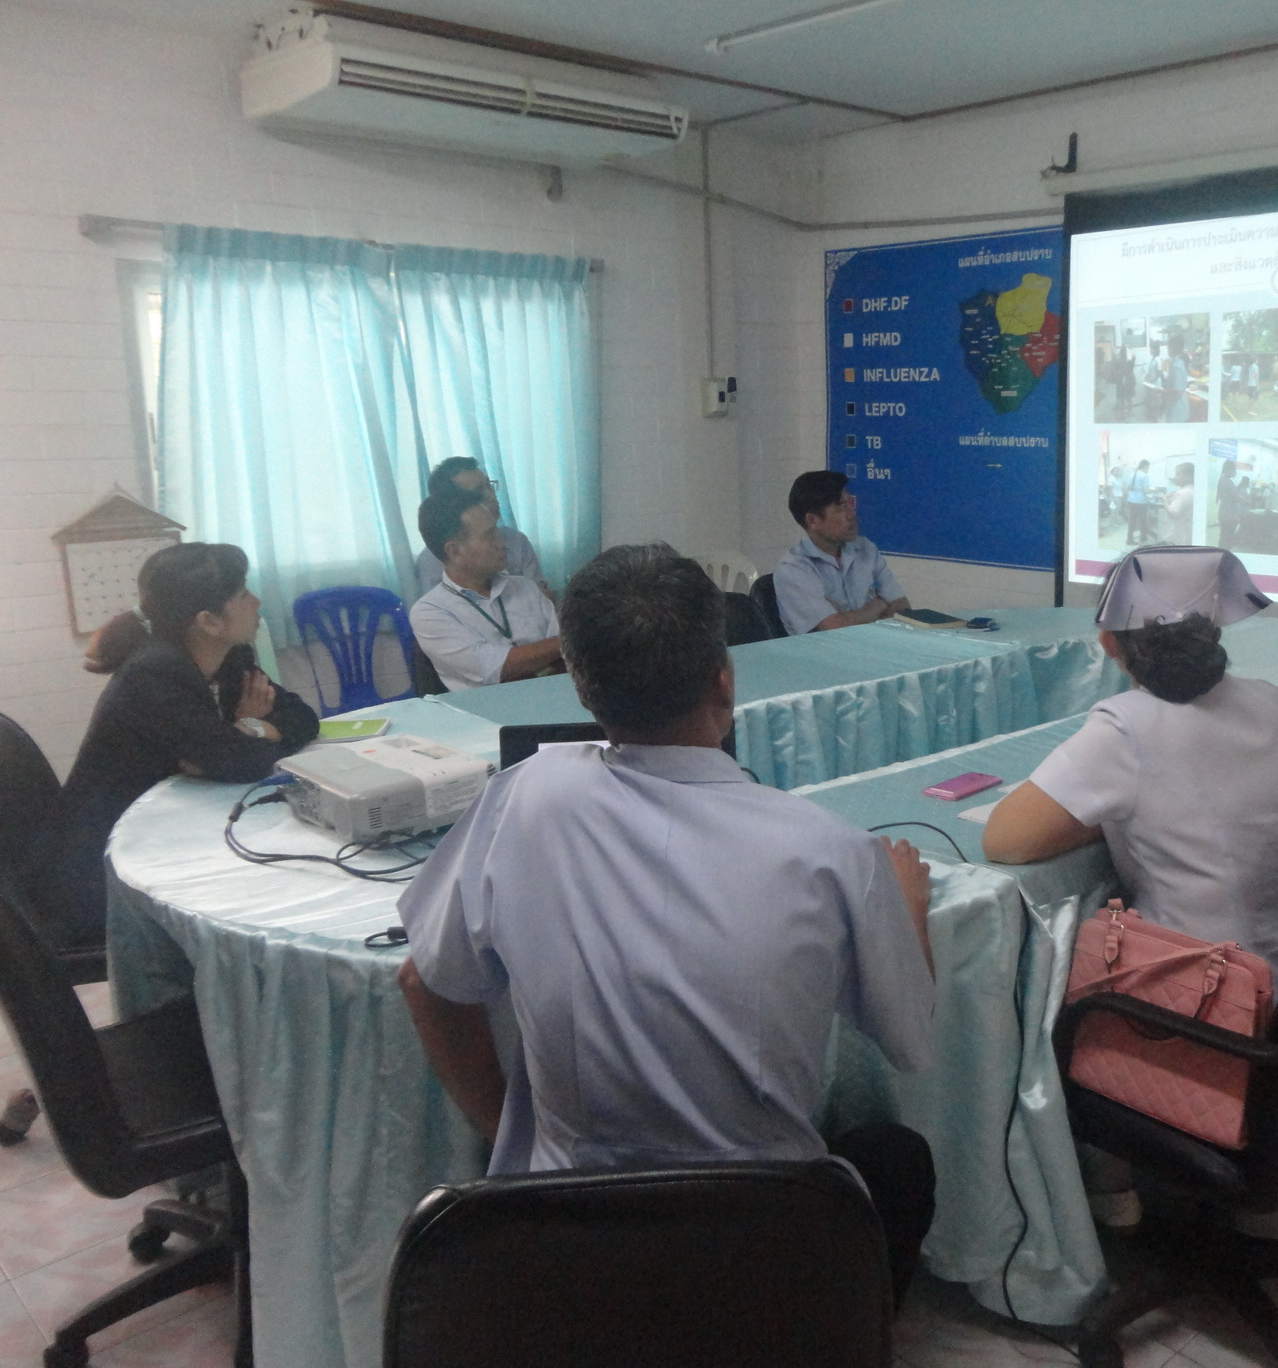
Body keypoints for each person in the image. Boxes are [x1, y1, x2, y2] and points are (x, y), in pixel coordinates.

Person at [396, 543, 938, 1304]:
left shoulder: (526, 794)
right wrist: (907, 909)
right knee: (895, 1156)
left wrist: (515, 1148)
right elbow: (911, 1041)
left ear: (581, 684)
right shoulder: (830, 850)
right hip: (762, 1235)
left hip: (566, 1230)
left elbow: (423, 980)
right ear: (725, 677)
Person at [983, 545, 1278, 984]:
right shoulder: (1265, 698)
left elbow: (1005, 840)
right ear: (1214, 633)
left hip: (1207, 987)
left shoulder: (1125, 726)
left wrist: (1108, 816)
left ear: (1108, 643)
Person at [23, 543, 318, 942]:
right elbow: (241, 764)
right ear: (208, 621)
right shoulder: (154, 674)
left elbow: (302, 717)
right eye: (243, 594)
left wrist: (250, 727)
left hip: (170, 835)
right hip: (102, 875)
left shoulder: (231, 656)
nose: (257, 601)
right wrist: (239, 739)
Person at [410, 486, 563, 691]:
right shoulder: (429, 612)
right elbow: (493, 670)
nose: (501, 543)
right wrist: (559, 646)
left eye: (497, 531)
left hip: (551, 699)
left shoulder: (525, 587)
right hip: (486, 711)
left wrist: (556, 650)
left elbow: (569, 657)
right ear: (454, 551)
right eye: (490, 536)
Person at [773, 470, 911, 635]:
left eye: (850, 504)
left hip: (874, 644)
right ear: (813, 521)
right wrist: (878, 605)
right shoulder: (793, 568)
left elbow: (902, 608)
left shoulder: (865, 549)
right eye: (841, 508)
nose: (851, 514)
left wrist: (847, 616)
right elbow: (835, 629)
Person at [412, 458, 545, 598]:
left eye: (489, 485)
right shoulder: (432, 561)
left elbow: (542, 597)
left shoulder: (516, 540)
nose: (491, 496)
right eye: (478, 492)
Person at [1163, 462, 1195, 543]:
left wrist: (1165, 500)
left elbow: (1172, 513)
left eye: (1178, 474)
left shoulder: (1182, 493)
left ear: (1188, 477)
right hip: (1187, 532)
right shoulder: (1192, 490)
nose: (1175, 477)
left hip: (1177, 535)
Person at [1123, 460, 1153, 545]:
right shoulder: (1144, 476)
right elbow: (1146, 490)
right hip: (1140, 501)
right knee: (1142, 520)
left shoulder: (1132, 474)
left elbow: (1127, 487)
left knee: (1132, 520)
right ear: (1144, 466)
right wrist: (1155, 490)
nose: (1148, 469)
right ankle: (1143, 538)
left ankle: (1129, 539)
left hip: (1131, 499)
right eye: (1148, 467)